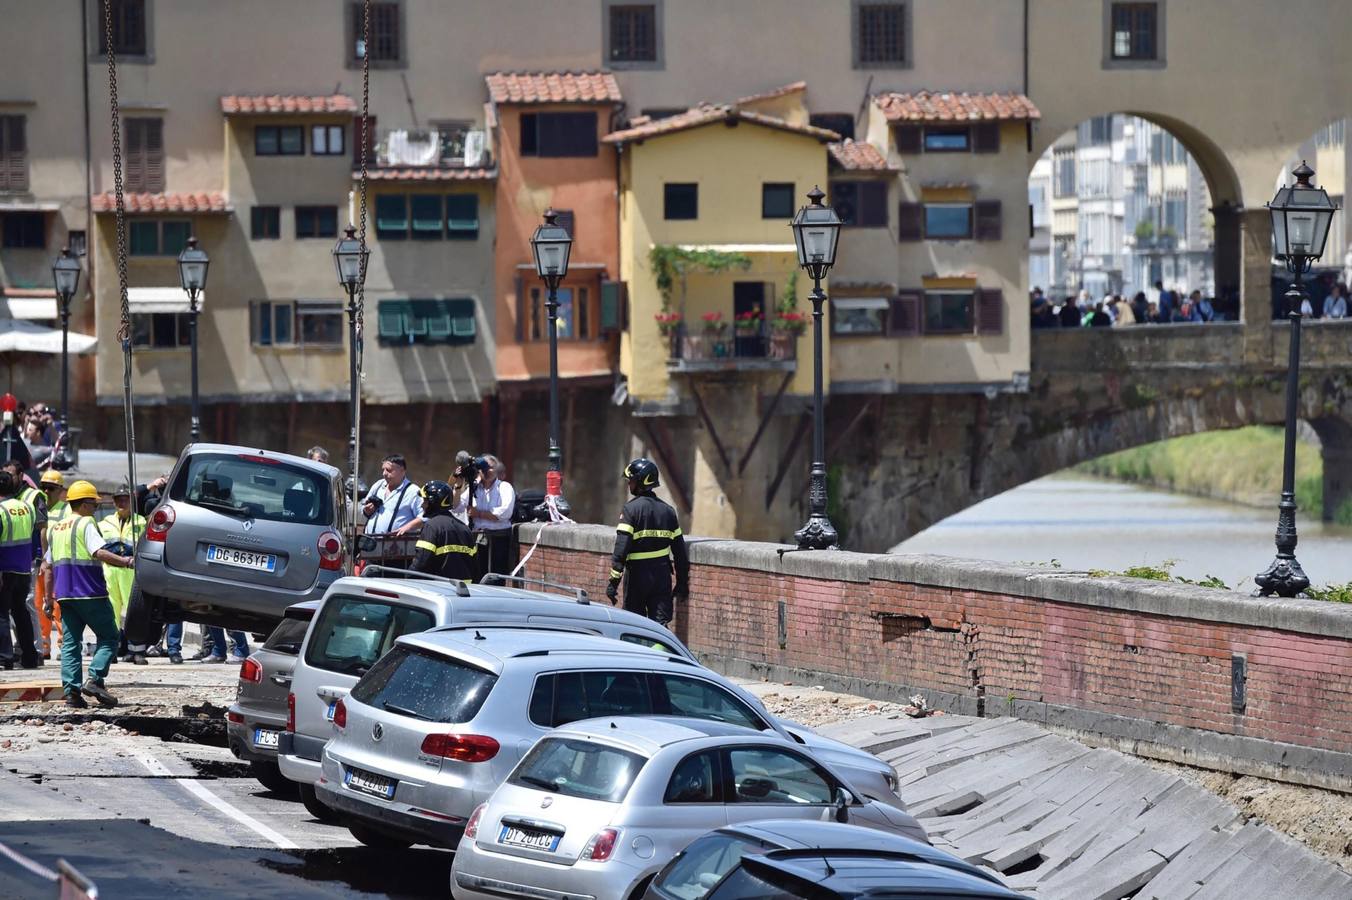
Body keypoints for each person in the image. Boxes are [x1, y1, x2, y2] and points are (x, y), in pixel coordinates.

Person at [43, 481, 132, 708]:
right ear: (83, 505)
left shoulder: (57, 528)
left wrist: (48, 598)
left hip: (65, 595)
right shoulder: (86, 523)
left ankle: (72, 694)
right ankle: (94, 679)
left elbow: (47, 567)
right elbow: (99, 551)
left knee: (71, 644)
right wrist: (126, 561)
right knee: (110, 636)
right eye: (93, 503)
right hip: (90, 592)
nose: (95, 508)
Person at [606, 458, 689, 626]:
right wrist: (681, 583)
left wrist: (613, 583)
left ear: (641, 482)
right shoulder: (668, 511)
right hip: (662, 576)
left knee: (634, 625)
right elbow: (680, 553)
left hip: (637, 576)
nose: (629, 485)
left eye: (632, 481)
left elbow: (621, 550)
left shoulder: (631, 510)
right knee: (660, 626)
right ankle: (658, 652)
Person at [4, 460, 47, 663]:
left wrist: (43, 557)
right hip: (20, 564)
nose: (8, 478)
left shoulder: (29, 498)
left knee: (16, 609)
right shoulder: (21, 504)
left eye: (10, 474)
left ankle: (21, 652)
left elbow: (42, 528)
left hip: (17, 564)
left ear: (21, 475)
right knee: (19, 609)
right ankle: (26, 652)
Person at [98, 484, 144, 662]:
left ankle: (137, 650)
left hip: (131, 570)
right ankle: (113, 648)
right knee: (111, 611)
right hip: (109, 570)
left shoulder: (141, 522)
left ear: (132, 501)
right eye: (118, 499)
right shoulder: (104, 523)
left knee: (134, 611)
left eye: (125, 499)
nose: (121, 503)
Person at [410, 481, 477, 582]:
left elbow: (421, 562)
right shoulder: (465, 528)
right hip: (465, 591)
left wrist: (407, 579)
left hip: (440, 590)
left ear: (433, 502)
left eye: (425, 501)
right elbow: (475, 566)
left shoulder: (431, 526)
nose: (422, 505)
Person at [468, 454, 516, 578]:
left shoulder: (504, 487)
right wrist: (461, 483)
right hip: (478, 538)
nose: (488, 471)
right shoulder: (474, 488)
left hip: (498, 537)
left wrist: (478, 514)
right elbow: (457, 507)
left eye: (492, 467)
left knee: (496, 577)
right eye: (484, 467)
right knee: (477, 575)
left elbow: (504, 513)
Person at [361, 454, 422, 536]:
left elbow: (424, 517)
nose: (384, 474)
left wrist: (407, 527)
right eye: (383, 470)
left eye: (389, 470)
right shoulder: (378, 485)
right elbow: (364, 508)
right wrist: (366, 510)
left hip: (396, 545)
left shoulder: (413, 491)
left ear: (402, 471)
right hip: (371, 542)